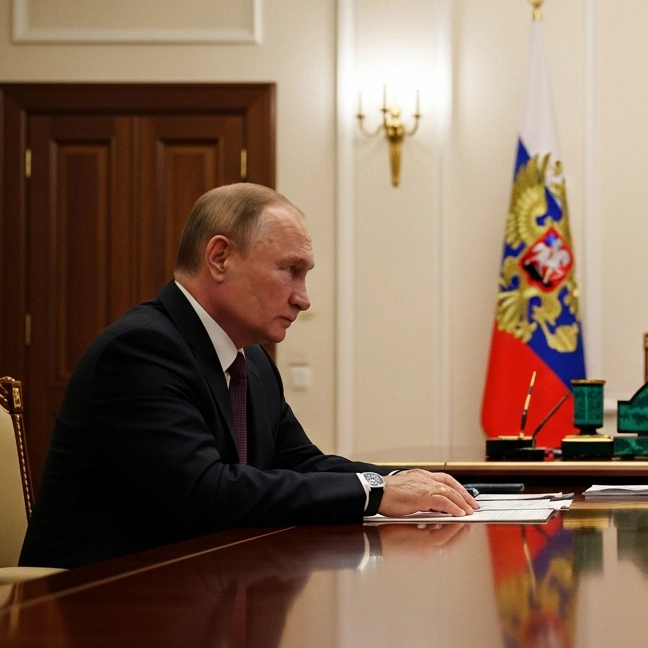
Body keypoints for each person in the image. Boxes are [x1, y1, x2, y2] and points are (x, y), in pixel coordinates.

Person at [20, 184, 477, 569]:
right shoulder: (140, 351)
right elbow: (207, 493)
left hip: (201, 592)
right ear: (220, 257)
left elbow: (303, 464)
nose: (303, 299)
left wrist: (409, 484)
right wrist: (375, 491)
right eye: (290, 271)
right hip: (96, 608)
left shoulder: (252, 361)